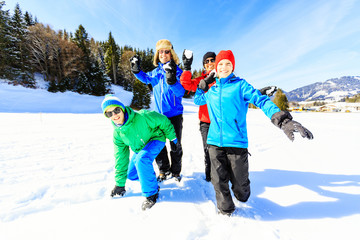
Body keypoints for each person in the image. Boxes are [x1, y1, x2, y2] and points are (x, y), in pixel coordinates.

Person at [194, 50, 313, 216]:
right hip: (214, 141)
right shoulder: (211, 91)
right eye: (220, 64)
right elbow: (198, 100)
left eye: (228, 63)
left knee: (240, 188)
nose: (224, 67)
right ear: (216, 67)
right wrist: (203, 86)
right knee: (218, 180)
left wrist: (283, 120)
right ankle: (225, 209)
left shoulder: (241, 85)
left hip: (236, 142)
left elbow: (261, 100)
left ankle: (241, 194)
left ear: (233, 66)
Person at [180, 50, 277, 182]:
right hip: (207, 122)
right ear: (203, 65)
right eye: (206, 61)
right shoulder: (201, 80)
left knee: (226, 152)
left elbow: (236, 93)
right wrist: (187, 67)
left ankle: (228, 176)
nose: (209, 63)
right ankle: (210, 176)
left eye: (212, 60)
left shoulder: (224, 77)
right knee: (208, 150)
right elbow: (186, 85)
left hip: (226, 123)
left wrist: (259, 93)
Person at [102, 94, 177, 210]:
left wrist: (172, 138)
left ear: (122, 108)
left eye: (116, 110)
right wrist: (119, 184)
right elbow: (120, 158)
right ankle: (151, 181)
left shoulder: (142, 116)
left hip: (155, 139)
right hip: (141, 148)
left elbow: (163, 120)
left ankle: (151, 194)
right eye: (109, 113)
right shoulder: (118, 134)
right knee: (131, 174)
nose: (114, 115)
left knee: (142, 159)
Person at [129, 39, 185, 182]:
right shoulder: (155, 72)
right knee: (158, 144)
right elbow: (145, 78)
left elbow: (180, 92)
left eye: (167, 51)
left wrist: (172, 79)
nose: (164, 54)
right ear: (157, 54)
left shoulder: (178, 72)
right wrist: (136, 70)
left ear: (171, 54)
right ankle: (163, 170)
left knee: (175, 145)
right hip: (158, 117)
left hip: (175, 115)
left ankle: (176, 171)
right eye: (161, 51)